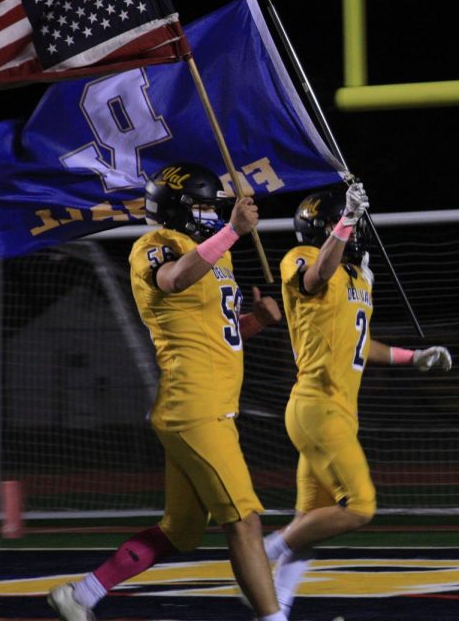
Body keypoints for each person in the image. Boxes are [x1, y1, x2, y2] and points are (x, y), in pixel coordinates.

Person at [47, 163, 288, 621]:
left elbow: (215, 330)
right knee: (244, 520)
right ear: (178, 208)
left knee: (181, 531)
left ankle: (83, 593)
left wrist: (259, 322)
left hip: (209, 406)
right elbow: (173, 280)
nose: (211, 213)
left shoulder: (210, 250)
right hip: (195, 406)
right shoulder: (152, 246)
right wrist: (233, 232)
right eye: (202, 204)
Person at [265, 182, 452, 617]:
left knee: (311, 524)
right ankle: (258, 551)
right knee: (361, 506)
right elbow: (314, 279)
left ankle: (274, 612)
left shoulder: (355, 278)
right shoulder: (303, 258)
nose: (355, 229)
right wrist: (347, 220)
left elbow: (360, 344)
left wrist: (413, 357)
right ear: (324, 226)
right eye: (342, 220)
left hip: (339, 412)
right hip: (316, 405)